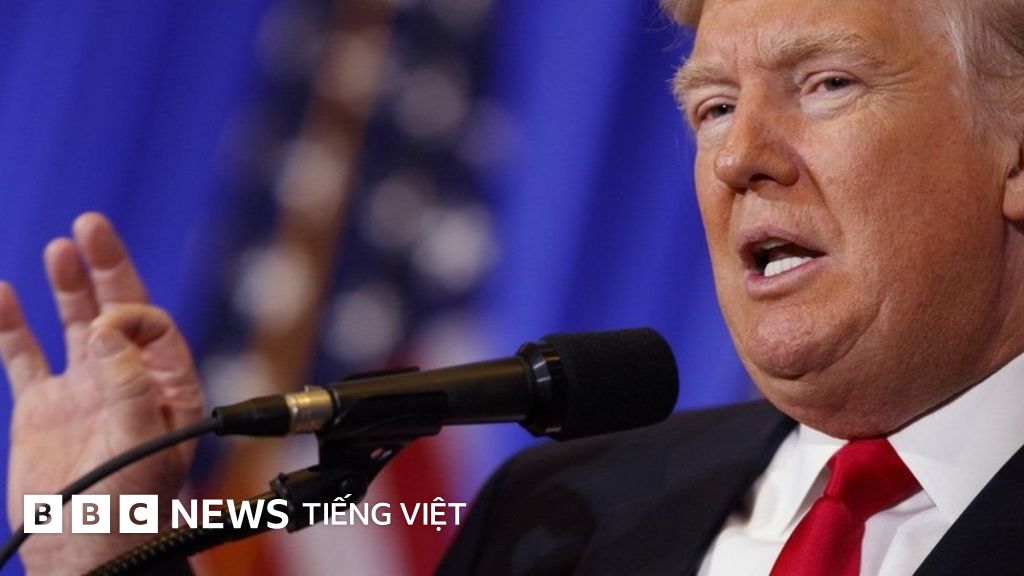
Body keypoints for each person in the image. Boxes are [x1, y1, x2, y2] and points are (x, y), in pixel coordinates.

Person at [5, 0, 1024, 573]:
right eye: (712, 107)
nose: (736, 157)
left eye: (827, 85)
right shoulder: (558, 516)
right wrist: (100, 553)